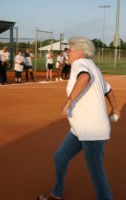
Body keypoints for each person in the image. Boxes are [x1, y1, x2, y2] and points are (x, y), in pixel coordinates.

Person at [37, 37, 121, 200]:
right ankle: (57, 192)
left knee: (96, 171)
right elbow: (108, 90)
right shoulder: (92, 66)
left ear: (80, 52)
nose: (67, 52)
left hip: (92, 130)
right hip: (80, 128)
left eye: (70, 49)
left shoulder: (80, 64)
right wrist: (115, 108)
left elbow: (84, 77)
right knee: (60, 156)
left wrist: (68, 102)